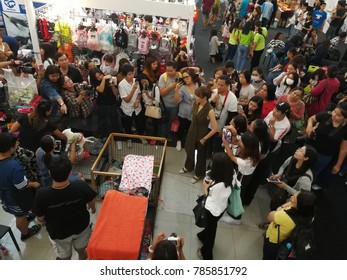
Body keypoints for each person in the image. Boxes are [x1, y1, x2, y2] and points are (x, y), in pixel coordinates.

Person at [32, 156, 96, 260]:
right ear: (70, 172)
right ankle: (82, 257)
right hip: (81, 227)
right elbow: (91, 201)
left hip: (59, 233)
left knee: (65, 256)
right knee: (81, 248)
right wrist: (93, 209)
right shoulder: (80, 185)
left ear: (50, 173)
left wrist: (43, 221)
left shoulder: (41, 195)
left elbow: (40, 218)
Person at [0, 133, 41, 241]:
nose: (18, 143)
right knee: (19, 215)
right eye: (16, 143)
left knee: (20, 212)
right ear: (10, 148)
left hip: (4, 192)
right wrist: (34, 184)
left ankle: (25, 215)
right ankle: (25, 233)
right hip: (14, 197)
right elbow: (22, 185)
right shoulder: (13, 166)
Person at [196, 152, 233, 260]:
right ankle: (202, 236)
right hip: (221, 208)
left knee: (211, 231)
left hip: (212, 210)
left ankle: (206, 253)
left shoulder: (219, 186)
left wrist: (205, 187)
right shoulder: (230, 175)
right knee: (211, 226)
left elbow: (209, 197)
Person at [179, 86, 218, 184]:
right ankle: (188, 166)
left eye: (198, 96)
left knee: (201, 155)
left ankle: (199, 173)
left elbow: (215, 128)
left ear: (204, 97)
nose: (195, 97)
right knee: (189, 149)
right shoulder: (195, 103)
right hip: (192, 131)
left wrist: (205, 138)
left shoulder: (210, 110)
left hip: (202, 134)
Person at [263, 190, 316, 260]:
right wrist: (293, 203)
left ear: (298, 204)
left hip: (273, 241)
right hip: (285, 240)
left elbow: (270, 216)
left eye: (294, 198)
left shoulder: (286, 216)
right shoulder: (309, 215)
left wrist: (282, 207)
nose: (291, 197)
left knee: (268, 257)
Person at [306, 102, 347, 190]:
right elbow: (312, 119)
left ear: (345, 118)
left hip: (325, 154)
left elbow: (343, 149)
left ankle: (305, 187)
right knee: (302, 163)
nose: (334, 115)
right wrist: (309, 126)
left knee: (314, 171)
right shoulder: (325, 115)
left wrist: (338, 165)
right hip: (311, 145)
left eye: (339, 115)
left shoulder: (345, 129)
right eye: (334, 112)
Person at [266, 145, 317, 213]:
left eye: (301, 151)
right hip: (280, 193)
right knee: (273, 206)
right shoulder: (292, 159)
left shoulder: (305, 178)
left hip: (289, 201)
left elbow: (302, 197)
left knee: (280, 213)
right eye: (299, 148)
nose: (297, 150)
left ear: (306, 158)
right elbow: (282, 167)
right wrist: (279, 174)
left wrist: (285, 187)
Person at [209, 75, 238, 154]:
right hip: (209, 125)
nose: (218, 87)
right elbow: (206, 108)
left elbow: (231, 117)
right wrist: (212, 102)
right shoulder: (213, 92)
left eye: (221, 85)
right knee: (208, 145)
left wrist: (224, 130)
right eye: (218, 84)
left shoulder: (232, 98)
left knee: (217, 147)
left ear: (227, 86)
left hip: (221, 127)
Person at [89, 68, 122, 139]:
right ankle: (104, 138)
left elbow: (116, 93)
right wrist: (104, 79)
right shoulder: (96, 83)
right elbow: (100, 89)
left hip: (112, 103)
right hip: (102, 105)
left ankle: (117, 138)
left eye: (100, 75)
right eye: (97, 77)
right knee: (103, 122)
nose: (100, 77)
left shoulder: (109, 79)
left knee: (115, 121)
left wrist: (113, 85)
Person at [118, 64, 146, 145]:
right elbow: (126, 100)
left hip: (137, 108)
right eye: (129, 74)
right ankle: (128, 139)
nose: (132, 76)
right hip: (127, 109)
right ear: (124, 75)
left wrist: (137, 101)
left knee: (140, 124)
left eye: (133, 73)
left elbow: (139, 93)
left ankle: (141, 136)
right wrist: (133, 89)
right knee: (128, 125)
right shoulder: (121, 85)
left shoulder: (136, 81)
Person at [174, 69, 200, 151]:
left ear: (191, 76)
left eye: (187, 77)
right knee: (181, 128)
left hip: (195, 112)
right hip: (184, 113)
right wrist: (176, 90)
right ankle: (179, 141)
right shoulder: (182, 88)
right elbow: (177, 101)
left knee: (191, 129)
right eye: (184, 77)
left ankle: (189, 143)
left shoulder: (198, 85)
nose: (185, 79)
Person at [158, 60, 182, 140]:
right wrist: (170, 87)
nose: (169, 73)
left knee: (172, 121)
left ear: (176, 69)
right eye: (167, 70)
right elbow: (162, 93)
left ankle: (169, 135)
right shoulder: (163, 77)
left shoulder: (180, 76)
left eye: (171, 71)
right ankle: (162, 136)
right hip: (164, 104)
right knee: (163, 121)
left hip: (175, 105)